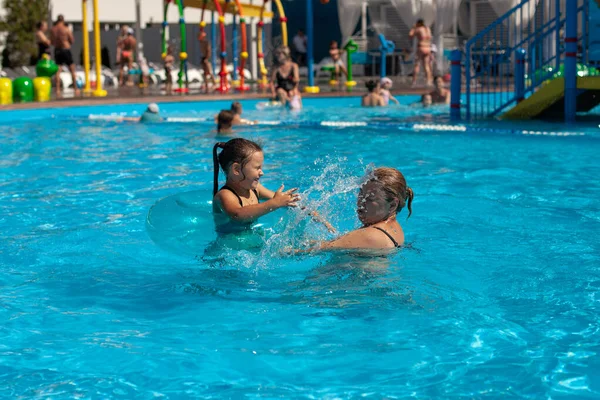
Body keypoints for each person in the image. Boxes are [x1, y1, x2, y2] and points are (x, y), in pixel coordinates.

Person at [309, 167, 413, 251]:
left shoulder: (371, 236)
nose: (361, 202)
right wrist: (316, 216)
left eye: (370, 198)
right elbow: (343, 239)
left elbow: (304, 251)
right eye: (360, 194)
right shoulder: (392, 228)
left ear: (392, 205)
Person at [212, 138, 300, 233]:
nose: (262, 173)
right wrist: (274, 203)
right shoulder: (225, 195)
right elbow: (237, 215)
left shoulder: (255, 189)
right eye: (257, 168)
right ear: (236, 169)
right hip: (230, 245)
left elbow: (281, 199)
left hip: (253, 239)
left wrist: (307, 210)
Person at [50, 15, 79, 97]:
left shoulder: (53, 29)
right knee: (72, 69)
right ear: (63, 20)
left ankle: (58, 90)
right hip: (66, 49)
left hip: (57, 50)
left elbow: (52, 41)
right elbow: (72, 40)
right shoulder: (66, 29)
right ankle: (75, 88)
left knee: (58, 70)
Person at [409, 19, 433, 87]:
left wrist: (413, 28)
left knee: (417, 64)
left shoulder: (419, 29)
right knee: (426, 65)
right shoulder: (428, 29)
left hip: (421, 47)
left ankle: (414, 81)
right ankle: (428, 81)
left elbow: (410, 35)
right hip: (428, 47)